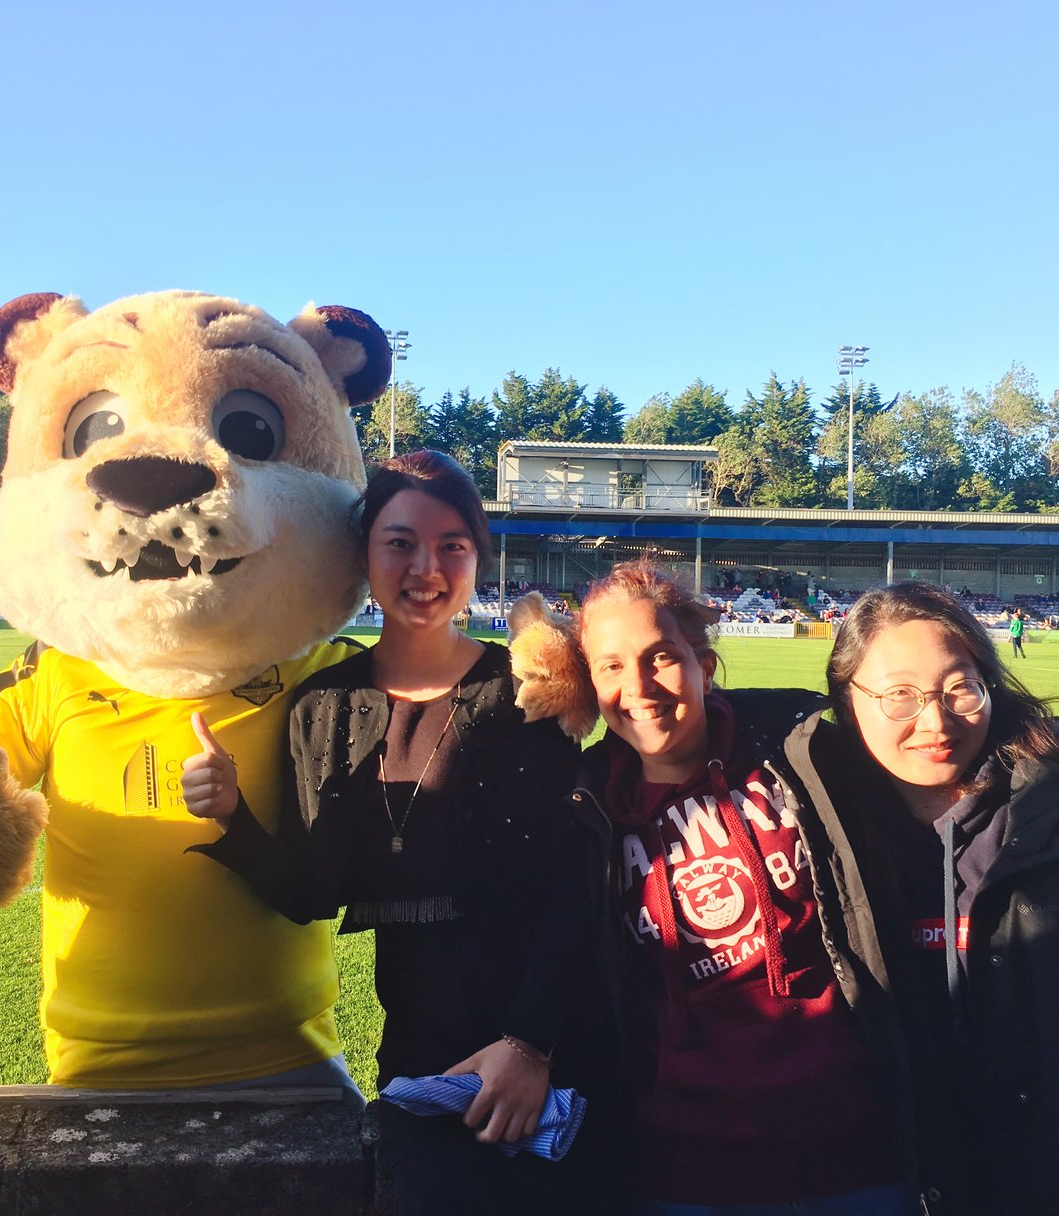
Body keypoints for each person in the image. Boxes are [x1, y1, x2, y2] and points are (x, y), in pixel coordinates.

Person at [182, 450, 616, 1216]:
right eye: (401, 541)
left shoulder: (528, 693)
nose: (428, 565)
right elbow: (313, 890)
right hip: (421, 1064)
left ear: (478, 555)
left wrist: (529, 1043)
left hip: (549, 1057)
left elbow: (576, 886)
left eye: (454, 544)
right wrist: (233, 818)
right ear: (366, 555)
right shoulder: (324, 706)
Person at [547, 560, 918, 1214]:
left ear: (704, 664)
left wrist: (1045, 742)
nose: (640, 685)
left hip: (854, 1154)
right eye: (610, 667)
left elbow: (937, 751)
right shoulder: (584, 809)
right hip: (682, 1171)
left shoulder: (799, 752)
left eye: (662, 657)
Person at [825, 582, 1059, 1215]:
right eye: (899, 696)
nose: (934, 722)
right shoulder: (819, 831)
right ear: (846, 697)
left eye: (959, 688)